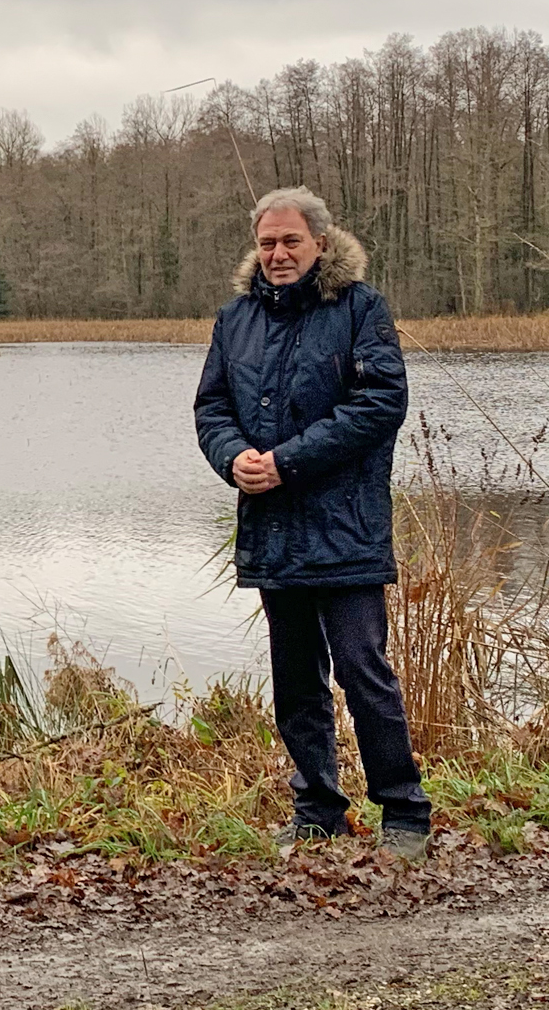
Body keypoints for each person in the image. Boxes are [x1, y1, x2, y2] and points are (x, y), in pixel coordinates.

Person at [195, 187, 432, 862]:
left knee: (363, 670)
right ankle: (317, 809)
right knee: (295, 676)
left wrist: (286, 461)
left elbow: (380, 402)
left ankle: (404, 812)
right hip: (272, 530)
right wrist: (233, 457)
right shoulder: (234, 319)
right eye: (266, 242)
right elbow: (211, 407)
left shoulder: (360, 310)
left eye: (289, 241)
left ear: (319, 243)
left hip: (346, 527)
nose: (276, 253)